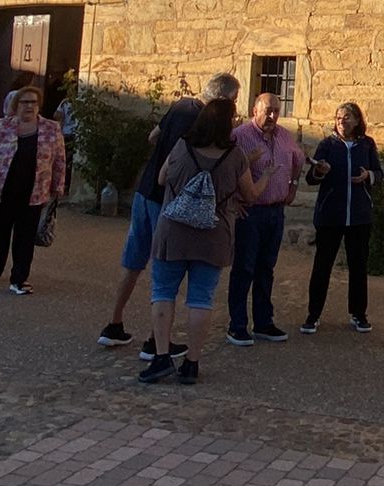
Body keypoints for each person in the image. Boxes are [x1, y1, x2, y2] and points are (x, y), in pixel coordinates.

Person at [98, 71, 240, 354]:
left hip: (144, 190)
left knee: (133, 261)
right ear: (223, 100)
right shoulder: (201, 121)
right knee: (165, 268)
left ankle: (114, 324)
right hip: (168, 199)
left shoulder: (179, 106)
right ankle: (155, 341)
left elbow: (153, 137)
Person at [139, 97, 260, 385]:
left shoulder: (183, 146)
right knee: (200, 298)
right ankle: (192, 362)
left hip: (175, 231)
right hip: (213, 234)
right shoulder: (235, 156)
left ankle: (161, 356)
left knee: (164, 292)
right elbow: (250, 195)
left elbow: (161, 178)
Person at [0, 87, 67, 294]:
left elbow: (59, 160)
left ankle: (20, 279)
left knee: (25, 238)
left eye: (33, 102)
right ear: (15, 106)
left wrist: (58, 186)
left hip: (33, 192)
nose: (29, 106)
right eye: (24, 102)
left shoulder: (51, 129)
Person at [224, 92, 302, 346]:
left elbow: (298, 159)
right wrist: (234, 200)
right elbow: (226, 170)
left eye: (277, 111)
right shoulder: (239, 136)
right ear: (254, 110)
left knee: (266, 268)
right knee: (244, 268)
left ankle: (263, 322)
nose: (272, 116)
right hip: (251, 212)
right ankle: (237, 325)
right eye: (268, 110)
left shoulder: (284, 136)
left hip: (275, 212)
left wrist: (293, 186)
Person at [302, 101, 382, 335]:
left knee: (358, 267)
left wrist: (369, 175)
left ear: (357, 120)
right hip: (331, 216)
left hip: (359, 217)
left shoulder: (366, 145)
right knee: (322, 267)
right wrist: (319, 170)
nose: (341, 121)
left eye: (347, 117)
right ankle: (313, 315)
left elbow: (379, 174)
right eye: (338, 117)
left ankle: (358, 314)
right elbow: (311, 178)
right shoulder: (327, 145)